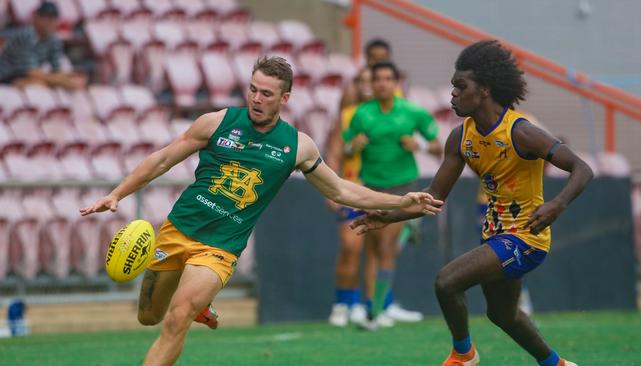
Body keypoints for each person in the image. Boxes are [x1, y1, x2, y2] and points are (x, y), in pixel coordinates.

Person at [80, 56, 441, 366]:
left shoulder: (297, 146)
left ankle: (196, 302)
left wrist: (401, 202)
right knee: (150, 317)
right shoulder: (216, 122)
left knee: (177, 318)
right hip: (177, 231)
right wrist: (117, 194)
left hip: (220, 248)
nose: (256, 98)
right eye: (253, 89)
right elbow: (161, 160)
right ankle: (200, 304)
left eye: (266, 93)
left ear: (284, 98)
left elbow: (341, 189)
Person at [351, 40, 592, 365]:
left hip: (526, 238)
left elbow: (582, 169)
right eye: (453, 87)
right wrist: (389, 216)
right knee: (503, 316)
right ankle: (557, 364)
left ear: (485, 91)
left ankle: (463, 355)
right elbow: (434, 197)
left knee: (446, 282)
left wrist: (557, 204)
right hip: (495, 234)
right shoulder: (460, 137)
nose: (452, 94)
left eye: (459, 86)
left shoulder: (521, 132)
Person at [343, 61, 442, 329]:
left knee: (385, 247)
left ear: (396, 82)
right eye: (378, 79)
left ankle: (375, 311)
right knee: (374, 248)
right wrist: (354, 146)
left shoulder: (412, 112)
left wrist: (418, 144)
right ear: (371, 84)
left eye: (388, 78)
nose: (383, 83)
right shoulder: (362, 114)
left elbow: (437, 146)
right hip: (372, 187)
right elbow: (346, 149)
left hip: (403, 188)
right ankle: (374, 308)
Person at [326, 67, 375, 327]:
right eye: (363, 81)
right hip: (354, 188)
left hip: (384, 189)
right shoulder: (347, 116)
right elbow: (334, 152)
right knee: (350, 246)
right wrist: (330, 188)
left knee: (379, 251)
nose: (368, 86)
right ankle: (344, 303)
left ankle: (372, 306)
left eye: (372, 81)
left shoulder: (390, 114)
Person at [0, 1, 86, 89]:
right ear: (36, 17)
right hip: (6, 78)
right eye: (46, 18)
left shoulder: (54, 40)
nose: (50, 22)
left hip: (27, 77)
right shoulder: (25, 36)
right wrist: (64, 82)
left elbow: (57, 70)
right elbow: (30, 71)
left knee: (43, 83)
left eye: (53, 18)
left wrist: (69, 78)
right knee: (35, 83)